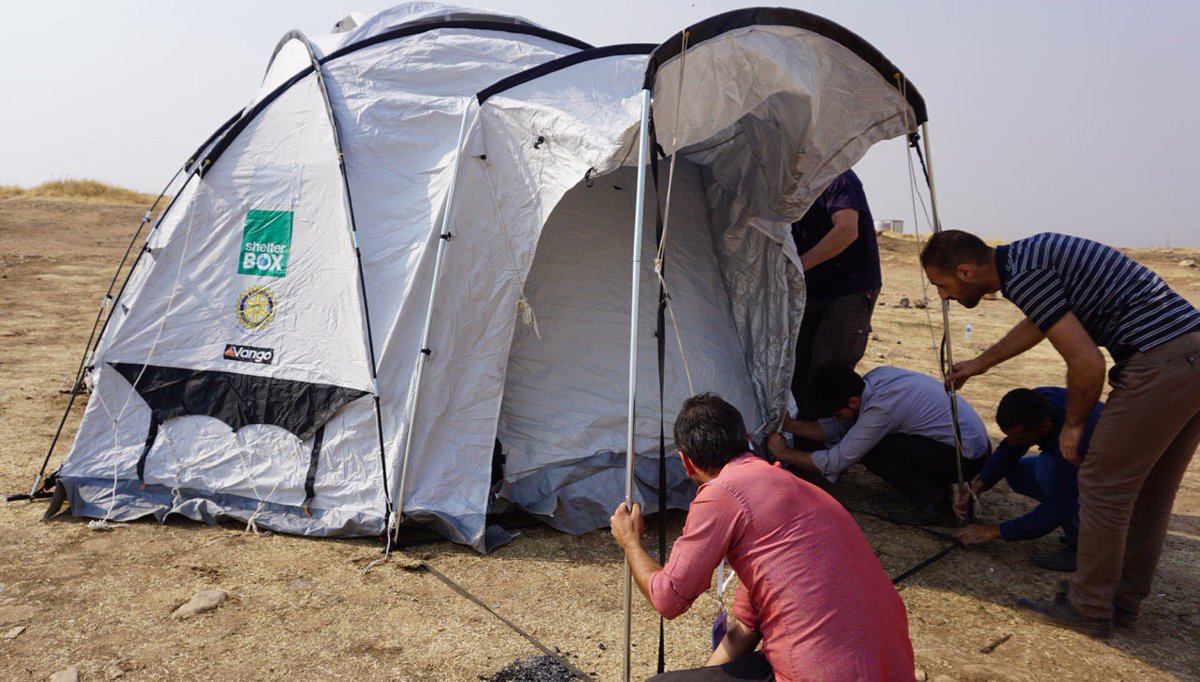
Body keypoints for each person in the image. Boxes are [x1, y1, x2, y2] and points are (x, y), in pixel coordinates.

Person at [921, 230, 1200, 638]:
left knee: (1102, 486)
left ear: (966, 271)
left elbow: (1087, 364)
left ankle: (1088, 608)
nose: (943, 297)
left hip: (1160, 359)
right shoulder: (1031, 256)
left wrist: (1074, 424)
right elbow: (1040, 322)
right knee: (1152, 495)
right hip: (1190, 351)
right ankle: (1121, 602)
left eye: (942, 286)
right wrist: (981, 363)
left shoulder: (1024, 274)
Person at [610, 394, 913, 681]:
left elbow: (669, 598)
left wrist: (630, 542)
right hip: (887, 667)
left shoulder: (723, 493)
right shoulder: (787, 487)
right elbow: (746, 626)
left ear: (686, 461)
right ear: (748, 440)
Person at [766, 363, 991, 525]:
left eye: (838, 412)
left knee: (872, 449)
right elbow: (841, 426)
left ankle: (935, 504)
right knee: (868, 439)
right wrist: (791, 425)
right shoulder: (873, 380)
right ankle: (937, 490)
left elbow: (836, 461)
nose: (840, 417)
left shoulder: (881, 407)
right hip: (960, 446)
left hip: (965, 460)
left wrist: (785, 453)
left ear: (853, 402)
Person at [953, 387, 1103, 573]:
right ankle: (1077, 523)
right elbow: (1009, 450)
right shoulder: (1036, 404)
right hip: (1073, 469)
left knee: (1047, 470)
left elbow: (1059, 505)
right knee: (1019, 472)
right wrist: (977, 486)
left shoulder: (1077, 441)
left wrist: (995, 531)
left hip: (1109, 480)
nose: (1013, 442)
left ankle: (1085, 547)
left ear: (1044, 427)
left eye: (1020, 438)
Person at [790, 169, 882, 416]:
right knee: (798, 370)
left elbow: (846, 230)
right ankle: (804, 441)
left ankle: (832, 446)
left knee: (827, 371)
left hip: (848, 288)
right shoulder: (787, 182)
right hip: (812, 290)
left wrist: (798, 266)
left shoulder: (837, 176)